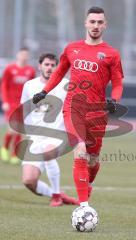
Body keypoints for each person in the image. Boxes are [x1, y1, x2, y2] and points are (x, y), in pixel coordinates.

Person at [33, 7, 124, 207]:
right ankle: (84, 207)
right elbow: (58, 73)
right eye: (92, 21)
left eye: (100, 22)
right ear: (86, 23)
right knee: (80, 150)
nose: (96, 26)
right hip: (73, 108)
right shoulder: (72, 48)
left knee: (92, 159)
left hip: (97, 112)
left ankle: (88, 184)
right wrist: (44, 92)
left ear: (105, 25)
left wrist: (114, 100)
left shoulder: (111, 54)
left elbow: (117, 83)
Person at [20, 53, 79, 207]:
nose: (49, 68)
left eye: (53, 65)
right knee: (29, 181)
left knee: (48, 151)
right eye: (46, 64)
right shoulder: (29, 86)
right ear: (40, 66)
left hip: (56, 135)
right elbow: (25, 111)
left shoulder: (66, 85)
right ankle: (57, 193)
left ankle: (56, 196)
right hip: (35, 137)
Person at [0, 47, 36, 165]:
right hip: (10, 104)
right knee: (13, 128)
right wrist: (4, 101)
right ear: (18, 55)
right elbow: (4, 86)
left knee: (19, 129)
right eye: (22, 55)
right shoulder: (10, 69)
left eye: (26, 55)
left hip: (23, 104)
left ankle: (15, 154)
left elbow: (31, 87)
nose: (24, 57)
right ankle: (5, 147)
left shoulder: (30, 71)